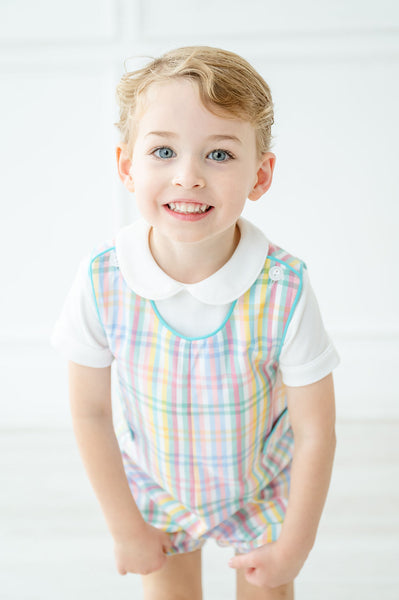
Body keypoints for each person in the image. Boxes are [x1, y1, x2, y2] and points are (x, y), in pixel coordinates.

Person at [51, 46, 339, 600]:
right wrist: (125, 527)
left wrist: (294, 546)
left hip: (261, 484)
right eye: (163, 151)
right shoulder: (103, 280)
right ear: (127, 167)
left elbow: (316, 431)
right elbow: (89, 412)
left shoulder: (285, 289)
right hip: (157, 486)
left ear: (261, 174)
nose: (188, 177)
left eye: (220, 156)